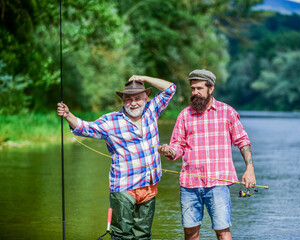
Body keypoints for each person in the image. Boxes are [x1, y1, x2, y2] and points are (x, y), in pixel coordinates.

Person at [57, 76, 176, 240]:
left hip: (149, 185)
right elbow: (85, 128)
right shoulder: (111, 120)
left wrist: (143, 78)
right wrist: (68, 115)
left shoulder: (152, 110)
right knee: (122, 236)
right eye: (129, 99)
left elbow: (170, 89)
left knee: (143, 236)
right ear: (123, 100)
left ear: (146, 98)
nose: (133, 103)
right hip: (124, 187)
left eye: (138, 98)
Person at [158, 69, 256, 240]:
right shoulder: (184, 115)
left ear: (211, 89)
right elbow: (177, 146)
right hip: (190, 185)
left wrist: (249, 169)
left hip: (218, 184)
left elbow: (243, 141)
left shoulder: (227, 112)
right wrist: (169, 151)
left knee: (222, 231)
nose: (195, 93)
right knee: (190, 232)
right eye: (192, 89)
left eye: (199, 88)